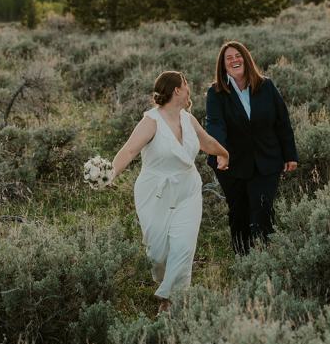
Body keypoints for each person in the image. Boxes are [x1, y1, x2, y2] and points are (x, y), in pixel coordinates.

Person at [111, 70, 229, 312]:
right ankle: (167, 283)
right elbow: (129, 151)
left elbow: (205, 141)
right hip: (155, 192)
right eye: (186, 86)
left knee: (183, 247)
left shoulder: (188, 119)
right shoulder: (151, 121)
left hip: (187, 190)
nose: (189, 91)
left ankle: (170, 302)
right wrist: (109, 173)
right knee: (158, 252)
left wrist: (223, 153)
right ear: (177, 90)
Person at [205, 41, 298, 255]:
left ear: (246, 59)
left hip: (267, 160)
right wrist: (220, 152)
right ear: (223, 66)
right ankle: (243, 259)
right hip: (231, 164)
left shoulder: (266, 86)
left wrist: (290, 154)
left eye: (238, 56)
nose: (234, 60)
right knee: (239, 212)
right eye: (229, 58)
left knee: (262, 209)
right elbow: (215, 124)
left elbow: (282, 122)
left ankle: (266, 256)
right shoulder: (216, 92)